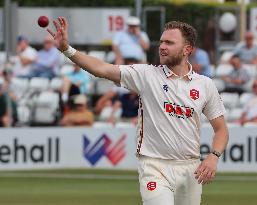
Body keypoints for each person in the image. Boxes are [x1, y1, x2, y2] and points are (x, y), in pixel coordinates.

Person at [47, 17, 229, 205]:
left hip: (190, 167)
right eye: (161, 42)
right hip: (154, 167)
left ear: (187, 49)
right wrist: (67, 49)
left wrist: (213, 158)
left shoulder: (205, 85)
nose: (162, 47)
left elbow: (221, 129)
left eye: (169, 42)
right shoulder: (146, 75)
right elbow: (102, 69)